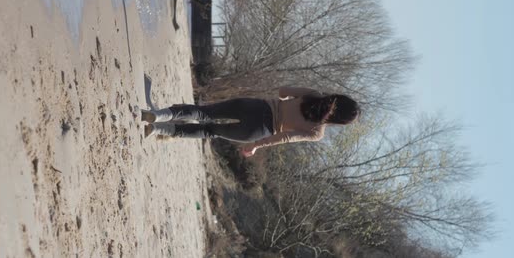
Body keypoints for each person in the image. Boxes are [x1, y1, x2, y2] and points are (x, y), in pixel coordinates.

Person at [141, 87, 360, 158]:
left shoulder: (313, 94)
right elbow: (283, 137)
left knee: (204, 112)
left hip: (257, 107)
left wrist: (284, 100)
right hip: (258, 130)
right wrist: (256, 145)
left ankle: (159, 115)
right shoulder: (316, 132)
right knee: (209, 131)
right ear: (339, 122)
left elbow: (282, 90)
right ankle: (157, 129)